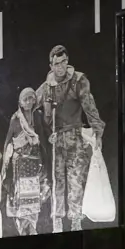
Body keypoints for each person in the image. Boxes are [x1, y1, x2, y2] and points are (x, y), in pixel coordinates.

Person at [36, 44, 104, 231]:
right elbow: (31, 102)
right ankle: (57, 220)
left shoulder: (78, 80)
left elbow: (89, 106)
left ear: (67, 61)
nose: (59, 67)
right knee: (57, 180)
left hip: (75, 136)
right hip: (56, 139)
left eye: (63, 62)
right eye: (56, 63)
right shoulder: (47, 86)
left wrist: (97, 131)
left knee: (75, 180)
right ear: (50, 65)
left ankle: (75, 221)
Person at [2, 87, 49, 235]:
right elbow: (9, 140)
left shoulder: (38, 116)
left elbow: (44, 135)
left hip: (36, 163)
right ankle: (23, 231)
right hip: (20, 165)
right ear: (20, 102)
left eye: (31, 98)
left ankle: (32, 229)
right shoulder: (16, 118)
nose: (29, 102)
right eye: (26, 99)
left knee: (36, 196)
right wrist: (8, 157)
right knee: (21, 198)